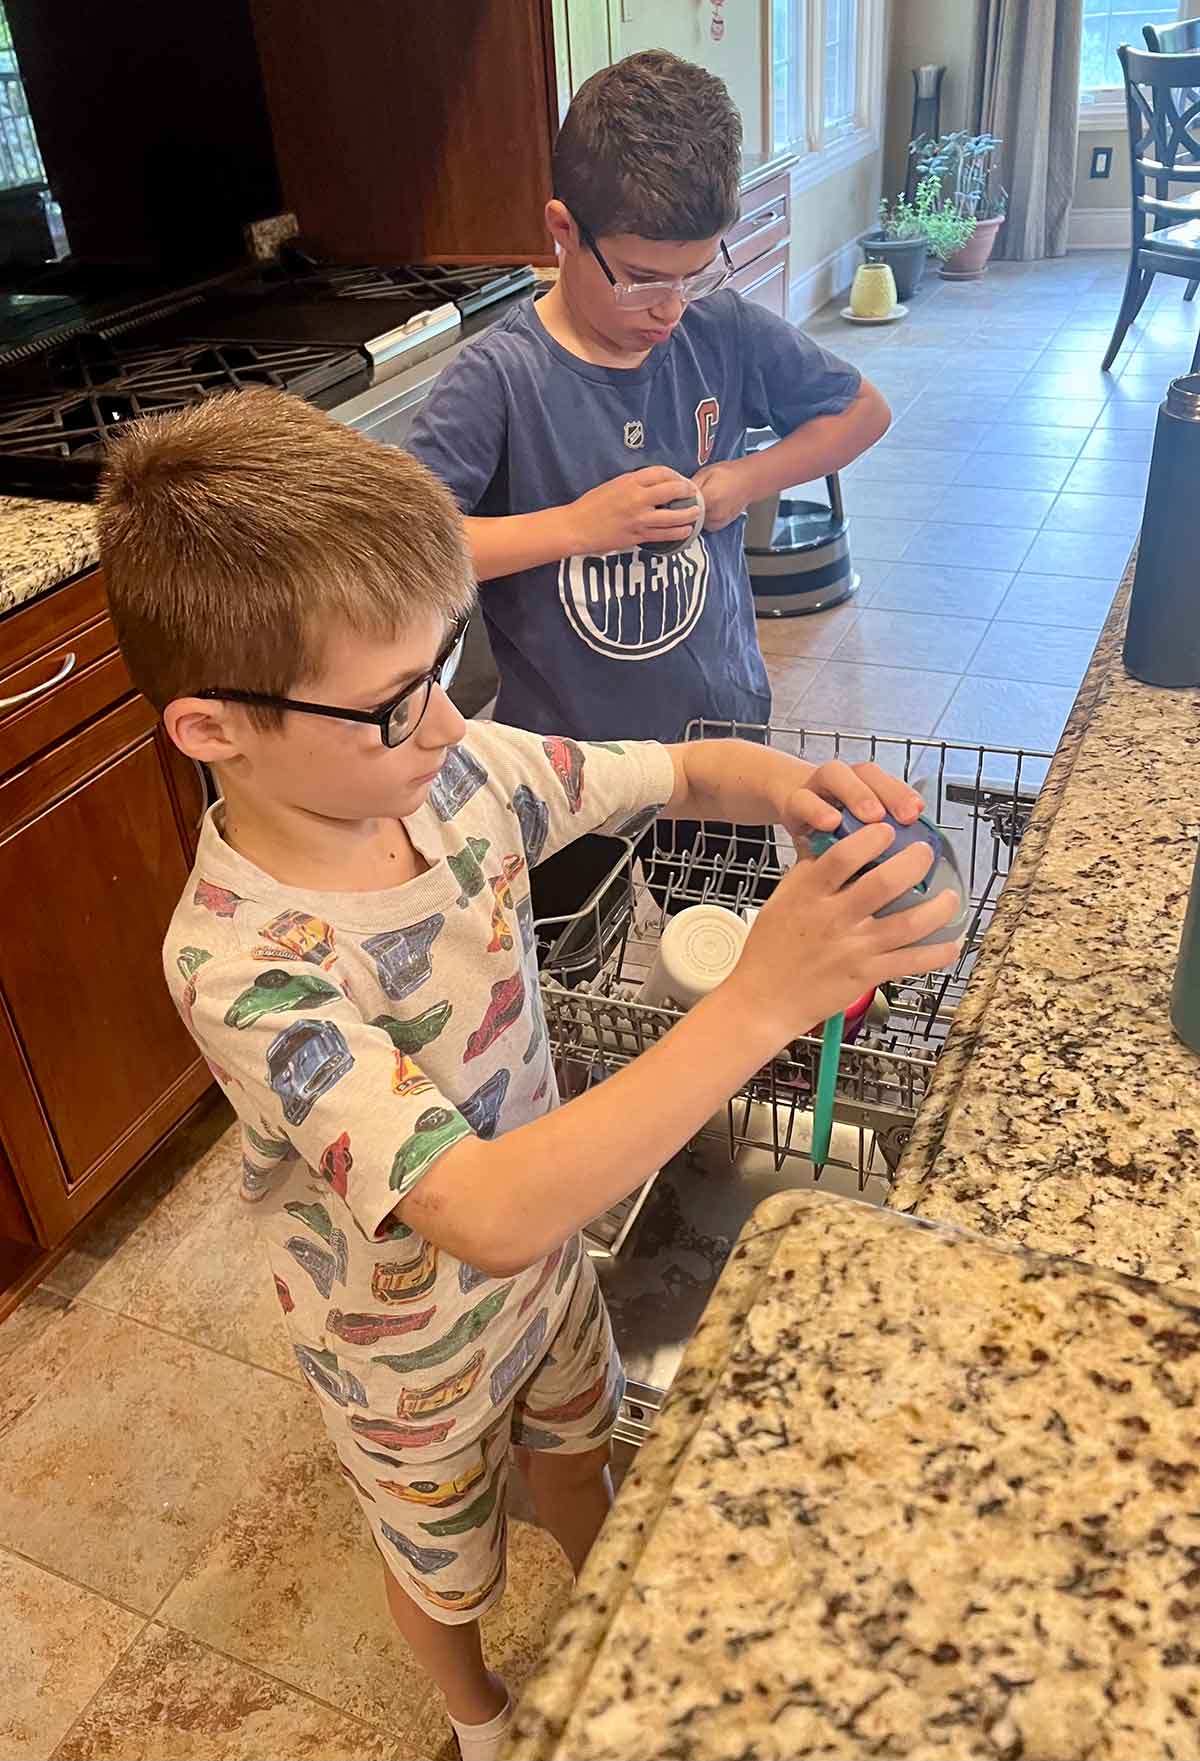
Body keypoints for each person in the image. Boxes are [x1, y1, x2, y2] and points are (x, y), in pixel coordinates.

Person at [97, 389, 956, 1761]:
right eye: (391, 704)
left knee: (575, 1434)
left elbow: (675, 766)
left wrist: (790, 785)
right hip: (398, 1343)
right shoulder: (245, 967)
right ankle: (473, 1701)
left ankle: (610, 1569)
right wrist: (759, 1000)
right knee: (441, 1554)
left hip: (548, 1269)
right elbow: (480, 1207)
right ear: (213, 729)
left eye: (446, 666)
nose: (442, 722)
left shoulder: (455, 774)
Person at [406, 47, 890, 927]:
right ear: (562, 230)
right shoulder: (498, 379)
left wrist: (745, 477)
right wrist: (578, 527)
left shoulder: (721, 328)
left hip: (715, 746)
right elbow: (399, 550)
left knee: (726, 951)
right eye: (641, 278)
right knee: (562, 970)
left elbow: (861, 412)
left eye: (696, 272)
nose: (670, 308)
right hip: (562, 763)